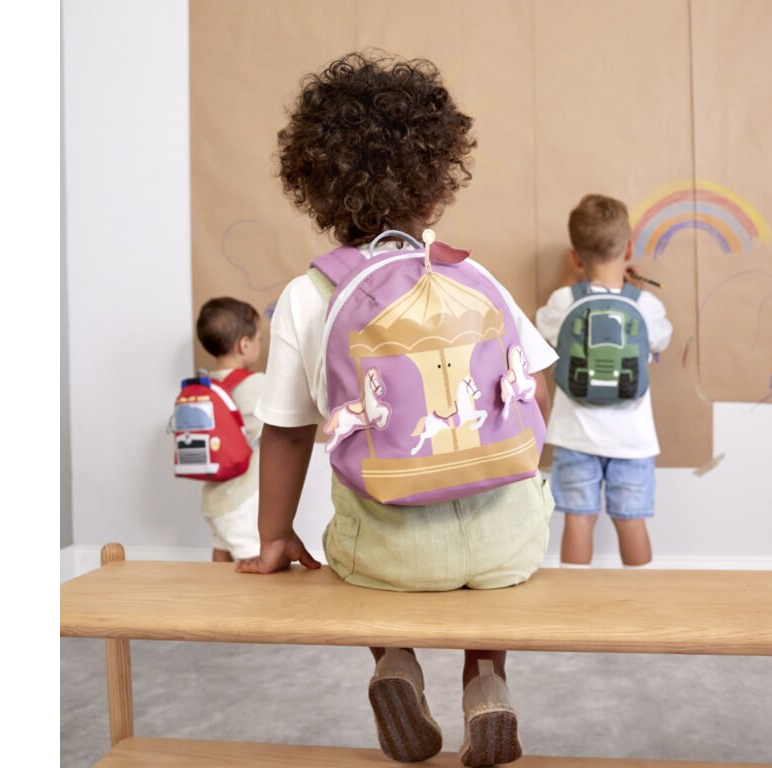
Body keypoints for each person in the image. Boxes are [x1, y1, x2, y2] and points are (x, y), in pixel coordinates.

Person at [236, 52, 556, 767]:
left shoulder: (308, 296)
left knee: (357, 546)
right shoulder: (470, 273)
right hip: (507, 545)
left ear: (317, 188)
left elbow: (285, 432)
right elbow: (536, 389)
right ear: (437, 188)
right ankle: (487, 680)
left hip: (391, 551)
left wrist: (275, 536)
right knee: (498, 524)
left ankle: (394, 662)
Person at [535, 194, 672, 569]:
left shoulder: (563, 301)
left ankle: (575, 599)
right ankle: (641, 598)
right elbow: (661, 339)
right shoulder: (645, 306)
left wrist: (568, 281)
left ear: (576, 257)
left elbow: (543, 327)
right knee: (632, 521)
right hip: (633, 439)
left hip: (574, 437)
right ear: (628, 249)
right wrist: (638, 294)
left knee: (579, 519)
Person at [195, 297, 266, 563]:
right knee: (254, 558)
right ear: (244, 345)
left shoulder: (205, 386)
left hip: (214, 498)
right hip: (242, 499)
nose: (260, 344)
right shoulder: (256, 385)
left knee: (221, 553)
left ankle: (214, 592)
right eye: (259, 339)